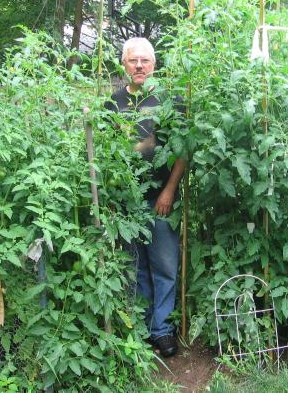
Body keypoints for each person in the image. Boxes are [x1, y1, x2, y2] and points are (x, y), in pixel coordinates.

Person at [104, 37, 185, 357]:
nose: (139, 66)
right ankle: (142, 326)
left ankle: (162, 329)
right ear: (123, 64)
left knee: (164, 264)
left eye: (145, 61)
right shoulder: (113, 103)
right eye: (133, 60)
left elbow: (182, 149)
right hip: (128, 197)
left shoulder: (168, 100)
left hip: (160, 197)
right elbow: (107, 151)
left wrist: (169, 190)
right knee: (136, 265)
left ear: (154, 64)